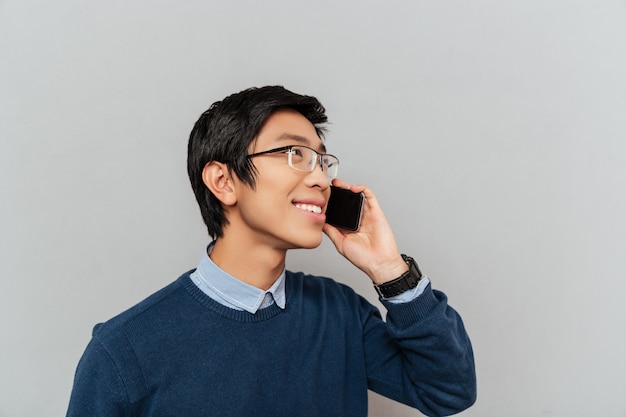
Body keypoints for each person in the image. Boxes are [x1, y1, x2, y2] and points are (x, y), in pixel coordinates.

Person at [66, 86, 477, 417]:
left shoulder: (340, 313)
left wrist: (390, 269)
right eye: (294, 154)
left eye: (321, 159)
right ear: (223, 181)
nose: (319, 177)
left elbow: (448, 392)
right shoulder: (124, 349)